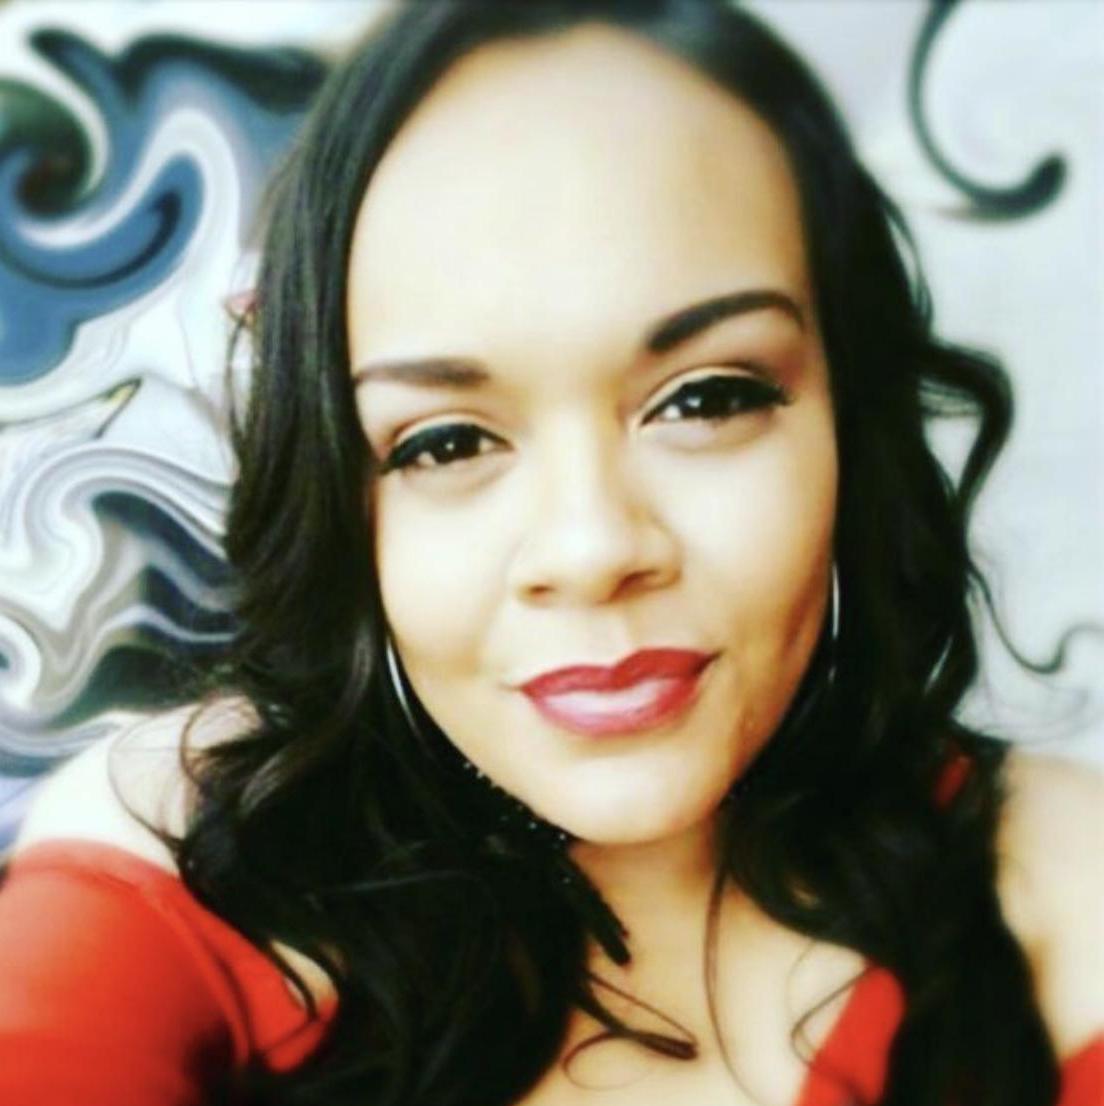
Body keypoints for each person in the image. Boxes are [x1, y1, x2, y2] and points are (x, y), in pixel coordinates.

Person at [0, 2, 1101, 1104]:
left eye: (706, 397)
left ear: (847, 425)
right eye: (446, 442)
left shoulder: (1049, 879)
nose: (590, 548)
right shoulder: (189, 860)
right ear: (343, 502)